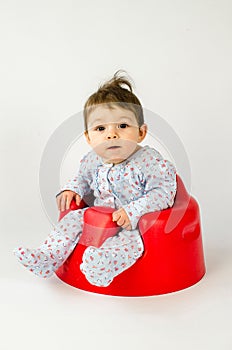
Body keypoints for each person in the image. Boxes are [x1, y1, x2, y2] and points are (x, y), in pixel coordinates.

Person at [14, 70, 177, 287]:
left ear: (141, 132)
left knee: (130, 243)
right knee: (72, 220)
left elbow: (164, 193)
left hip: (134, 223)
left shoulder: (149, 161)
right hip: (98, 216)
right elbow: (82, 178)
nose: (112, 134)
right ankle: (49, 257)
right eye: (101, 128)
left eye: (123, 126)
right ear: (89, 138)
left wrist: (134, 211)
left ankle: (103, 266)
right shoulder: (93, 159)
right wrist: (73, 190)